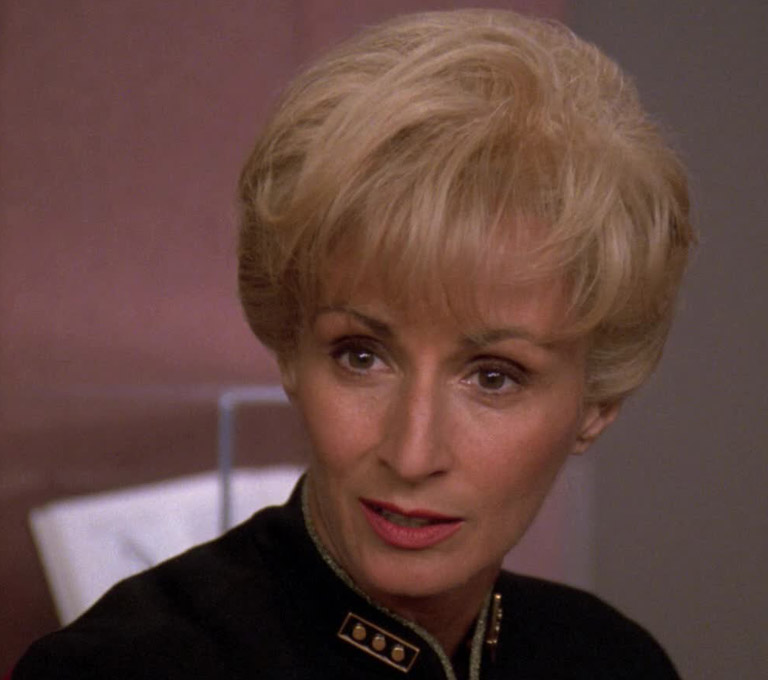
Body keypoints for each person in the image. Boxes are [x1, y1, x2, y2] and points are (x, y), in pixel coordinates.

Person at [12, 9, 694, 679]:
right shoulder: (117, 668)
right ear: (290, 350)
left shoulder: (613, 662)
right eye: (361, 356)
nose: (411, 452)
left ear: (598, 399)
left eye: (494, 376)